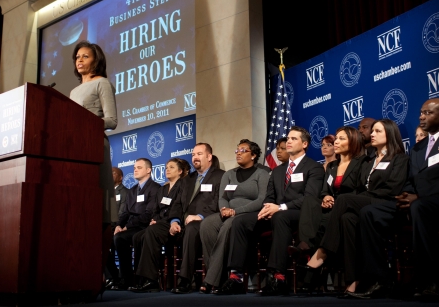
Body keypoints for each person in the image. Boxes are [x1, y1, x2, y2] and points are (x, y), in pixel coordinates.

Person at [349, 99, 439, 300]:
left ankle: (429, 281)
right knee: (370, 213)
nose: (421, 116)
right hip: (418, 201)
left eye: (427, 113)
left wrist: (419, 196)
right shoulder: (418, 148)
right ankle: (379, 280)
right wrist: (405, 195)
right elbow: (411, 179)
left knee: (419, 207)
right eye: (420, 112)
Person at [302, 119, 409, 295]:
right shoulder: (370, 161)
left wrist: (362, 198)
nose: (372, 134)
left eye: (378, 131)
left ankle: (321, 253)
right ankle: (353, 281)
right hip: (368, 202)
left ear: (390, 134)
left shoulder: (400, 158)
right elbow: (362, 187)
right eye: (372, 131)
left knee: (344, 199)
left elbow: (393, 189)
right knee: (347, 219)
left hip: (386, 203)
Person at [218, 126, 324, 295]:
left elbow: (309, 198)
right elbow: (269, 195)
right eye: (288, 138)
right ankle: (236, 277)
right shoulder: (278, 170)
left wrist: (280, 207)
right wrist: (267, 207)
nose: (288, 141)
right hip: (275, 212)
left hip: (300, 214)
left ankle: (278, 277)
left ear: (305, 144)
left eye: (293, 139)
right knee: (240, 221)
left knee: (280, 217)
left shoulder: (314, 167)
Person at [134, 143, 225, 294]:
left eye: (199, 154)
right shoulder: (187, 180)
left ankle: (185, 280)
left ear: (209, 157)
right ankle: (150, 280)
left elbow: (218, 202)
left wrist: (200, 216)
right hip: (181, 221)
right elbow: (176, 204)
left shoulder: (220, 176)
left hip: (204, 221)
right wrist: (174, 221)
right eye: (193, 154)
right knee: (153, 230)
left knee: (190, 229)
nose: (195, 157)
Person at [69, 40, 118, 295]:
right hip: (73, 150)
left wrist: (85, 123)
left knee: (100, 213)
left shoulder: (102, 83)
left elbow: (111, 120)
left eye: (85, 56)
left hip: (95, 147)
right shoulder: (73, 91)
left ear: (95, 59)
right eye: (77, 56)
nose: (79, 60)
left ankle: (97, 271)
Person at [199, 139, 270, 293]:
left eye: (243, 150)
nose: (238, 153)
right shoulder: (229, 174)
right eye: (237, 150)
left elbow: (262, 200)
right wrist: (224, 209)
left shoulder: (262, 174)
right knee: (206, 225)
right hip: (228, 212)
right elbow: (222, 197)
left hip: (248, 215)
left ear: (253, 155)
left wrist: (237, 211)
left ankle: (212, 280)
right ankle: (220, 277)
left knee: (227, 227)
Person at [288, 127, 365, 258]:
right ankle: (305, 243)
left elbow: (361, 189)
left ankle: (315, 254)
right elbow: (325, 190)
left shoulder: (362, 162)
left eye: (341, 139)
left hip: (347, 205)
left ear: (353, 141)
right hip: (331, 204)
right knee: (310, 201)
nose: (336, 142)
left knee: (324, 219)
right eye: (336, 138)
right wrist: (326, 197)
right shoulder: (332, 166)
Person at [129, 158, 191, 292]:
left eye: (171, 167)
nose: (167, 170)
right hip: (160, 222)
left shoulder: (184, 185)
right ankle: (140, 279)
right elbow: (155, 210)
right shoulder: (163, 189)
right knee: (138, 237)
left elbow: (178, 208)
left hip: (174, 223)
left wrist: (161, 222)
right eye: (166, 167)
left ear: (180, 171)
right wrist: (155, 219)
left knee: (151, 232)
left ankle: (152, 280)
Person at [112, 158, 160, 289]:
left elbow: (149, 213)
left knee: (130, 237)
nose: (135, 170)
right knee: (117, 237)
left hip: (145, 226)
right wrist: (119, 225)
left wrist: (127, 226)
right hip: (132, 226)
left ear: (148, 170)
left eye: (139, 167)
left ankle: (139, 278)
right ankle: (125, 278)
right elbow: (126, 212)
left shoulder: (155, 188)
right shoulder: (132, 190)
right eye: (134, 168)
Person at [105, 167, 129, 289]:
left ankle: (116, 277)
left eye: (113, 173)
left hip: (117, 227)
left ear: (120, 177)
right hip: (106, 226)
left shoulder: (125, 192)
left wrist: (115, 226)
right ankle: (111, 277)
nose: (110, 175)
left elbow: (122, 212)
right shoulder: (106, 192)